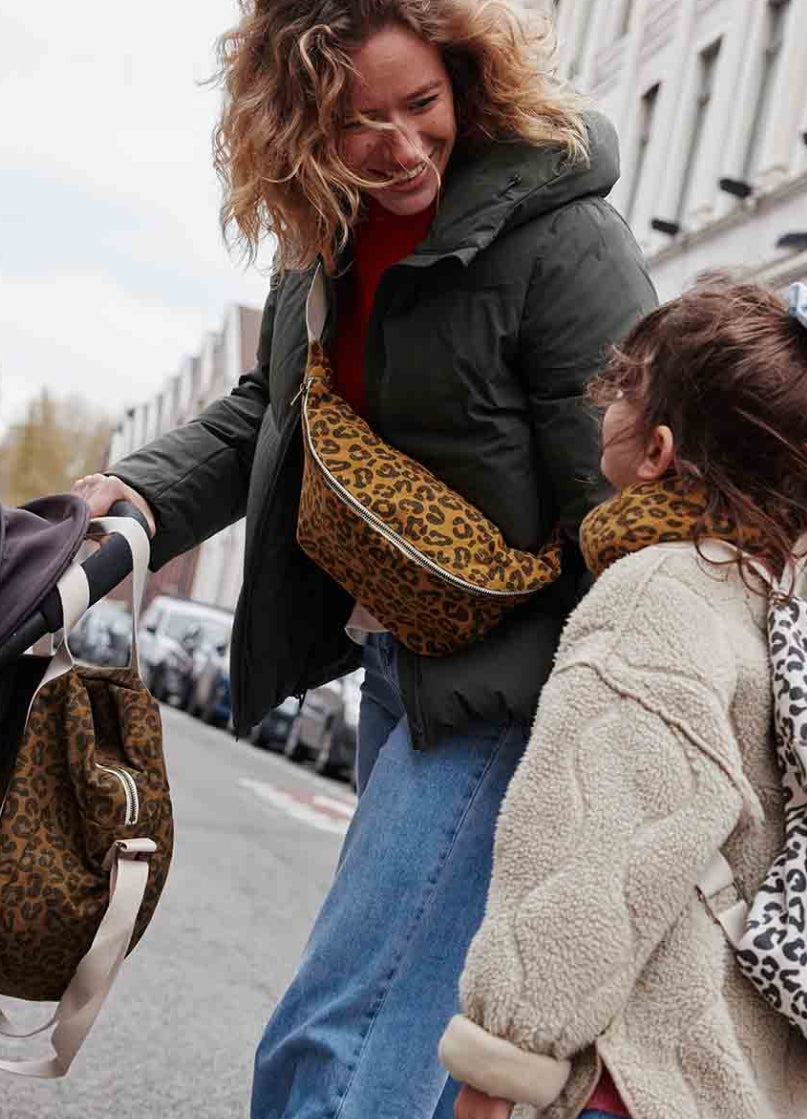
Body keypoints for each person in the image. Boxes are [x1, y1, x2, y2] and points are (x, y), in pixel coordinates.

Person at [73, 1, 657, 1116]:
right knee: (415, 1024)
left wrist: (613, 729)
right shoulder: (322, 239)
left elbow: (624, 496)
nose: (400, 145)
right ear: (297, 126)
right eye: (358, 120)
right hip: (402, 658)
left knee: (343, 1023)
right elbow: (268, 415)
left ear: (466, 80)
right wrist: (137, 491)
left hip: (514, 684)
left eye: (421, 105)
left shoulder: (562, 238)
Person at [438, 244, 807, 1119]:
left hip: (625, 1084)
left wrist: (501, 1060)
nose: (602, 402)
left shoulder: (654, 594)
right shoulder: (763, 614)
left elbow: (594, 855)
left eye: (623, 386)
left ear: (656, 449)